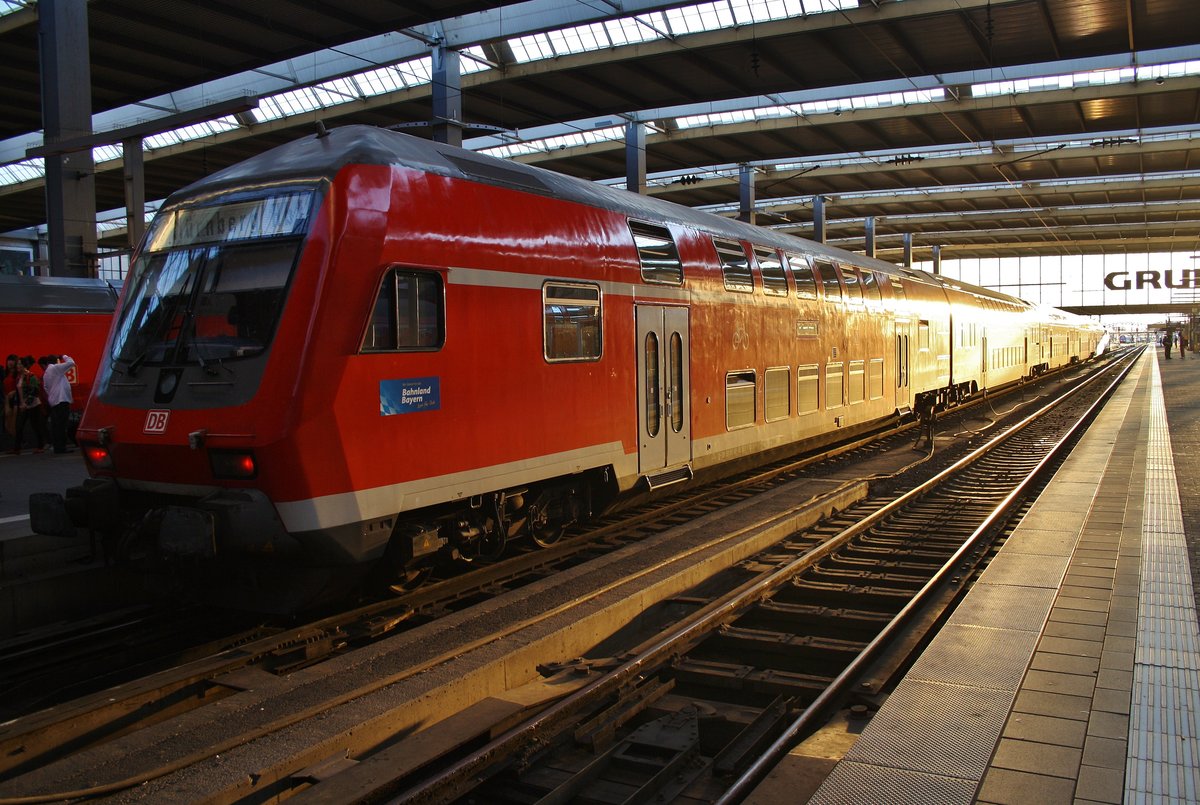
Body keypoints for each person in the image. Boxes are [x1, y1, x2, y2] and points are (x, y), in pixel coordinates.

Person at [11, 357, 46, 455]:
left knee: (35, 425)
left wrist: (26, 404)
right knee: (19, 426)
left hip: (33, 405)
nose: (17, 366)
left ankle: (40, 446)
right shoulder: (18, 377)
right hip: (23, 405)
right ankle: (17, 448)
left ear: (24, 365)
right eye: (17, 364)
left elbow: (34, 392)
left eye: (19, 364)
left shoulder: (31, 376)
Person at [42, 353, 76, 454]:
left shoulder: (46, 373)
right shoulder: (56, 368)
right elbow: (71, 363)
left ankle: (58, 447)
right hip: (61, 399)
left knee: (56, 426)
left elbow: (46, 388)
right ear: (57, 362)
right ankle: (62, 447)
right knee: (62, 425)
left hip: (54, 401)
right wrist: (64, 356)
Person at [2, 354, 18, 451]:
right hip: (7, 400)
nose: (10, 362)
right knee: (7, 425)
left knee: (13, 424)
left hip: (15, 401)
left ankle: (17, 444)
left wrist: (15, 391)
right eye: (9, 360)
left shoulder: (18, 374)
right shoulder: (5, 374)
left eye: (12, 360)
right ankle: (18, 442)